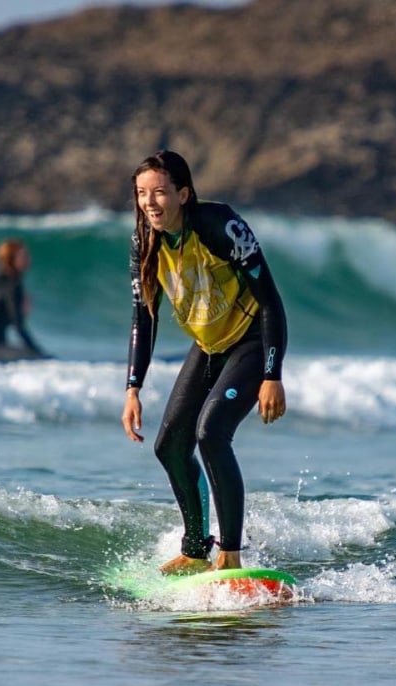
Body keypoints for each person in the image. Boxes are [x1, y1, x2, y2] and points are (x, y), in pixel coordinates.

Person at [121, 150, 288, 576]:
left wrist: (272, 374)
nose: (150, 203)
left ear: (183, 193)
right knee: (170, 446)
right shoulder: (145, 240)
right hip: (209, 346)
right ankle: (196, 550)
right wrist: (133, 388)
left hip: (251, 341)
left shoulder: (219, 226)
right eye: (142, 194)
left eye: (159, 193)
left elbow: (270, 301)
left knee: (211, 433)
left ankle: (230, 554)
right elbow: (144, 316)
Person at [0, 239, 51, 362]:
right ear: (12, 259)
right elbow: (18, 325)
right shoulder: (12, 285)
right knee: (44, 360)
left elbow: (4, 319)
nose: (29, 260)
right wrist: (37, 351)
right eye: (24, 256)